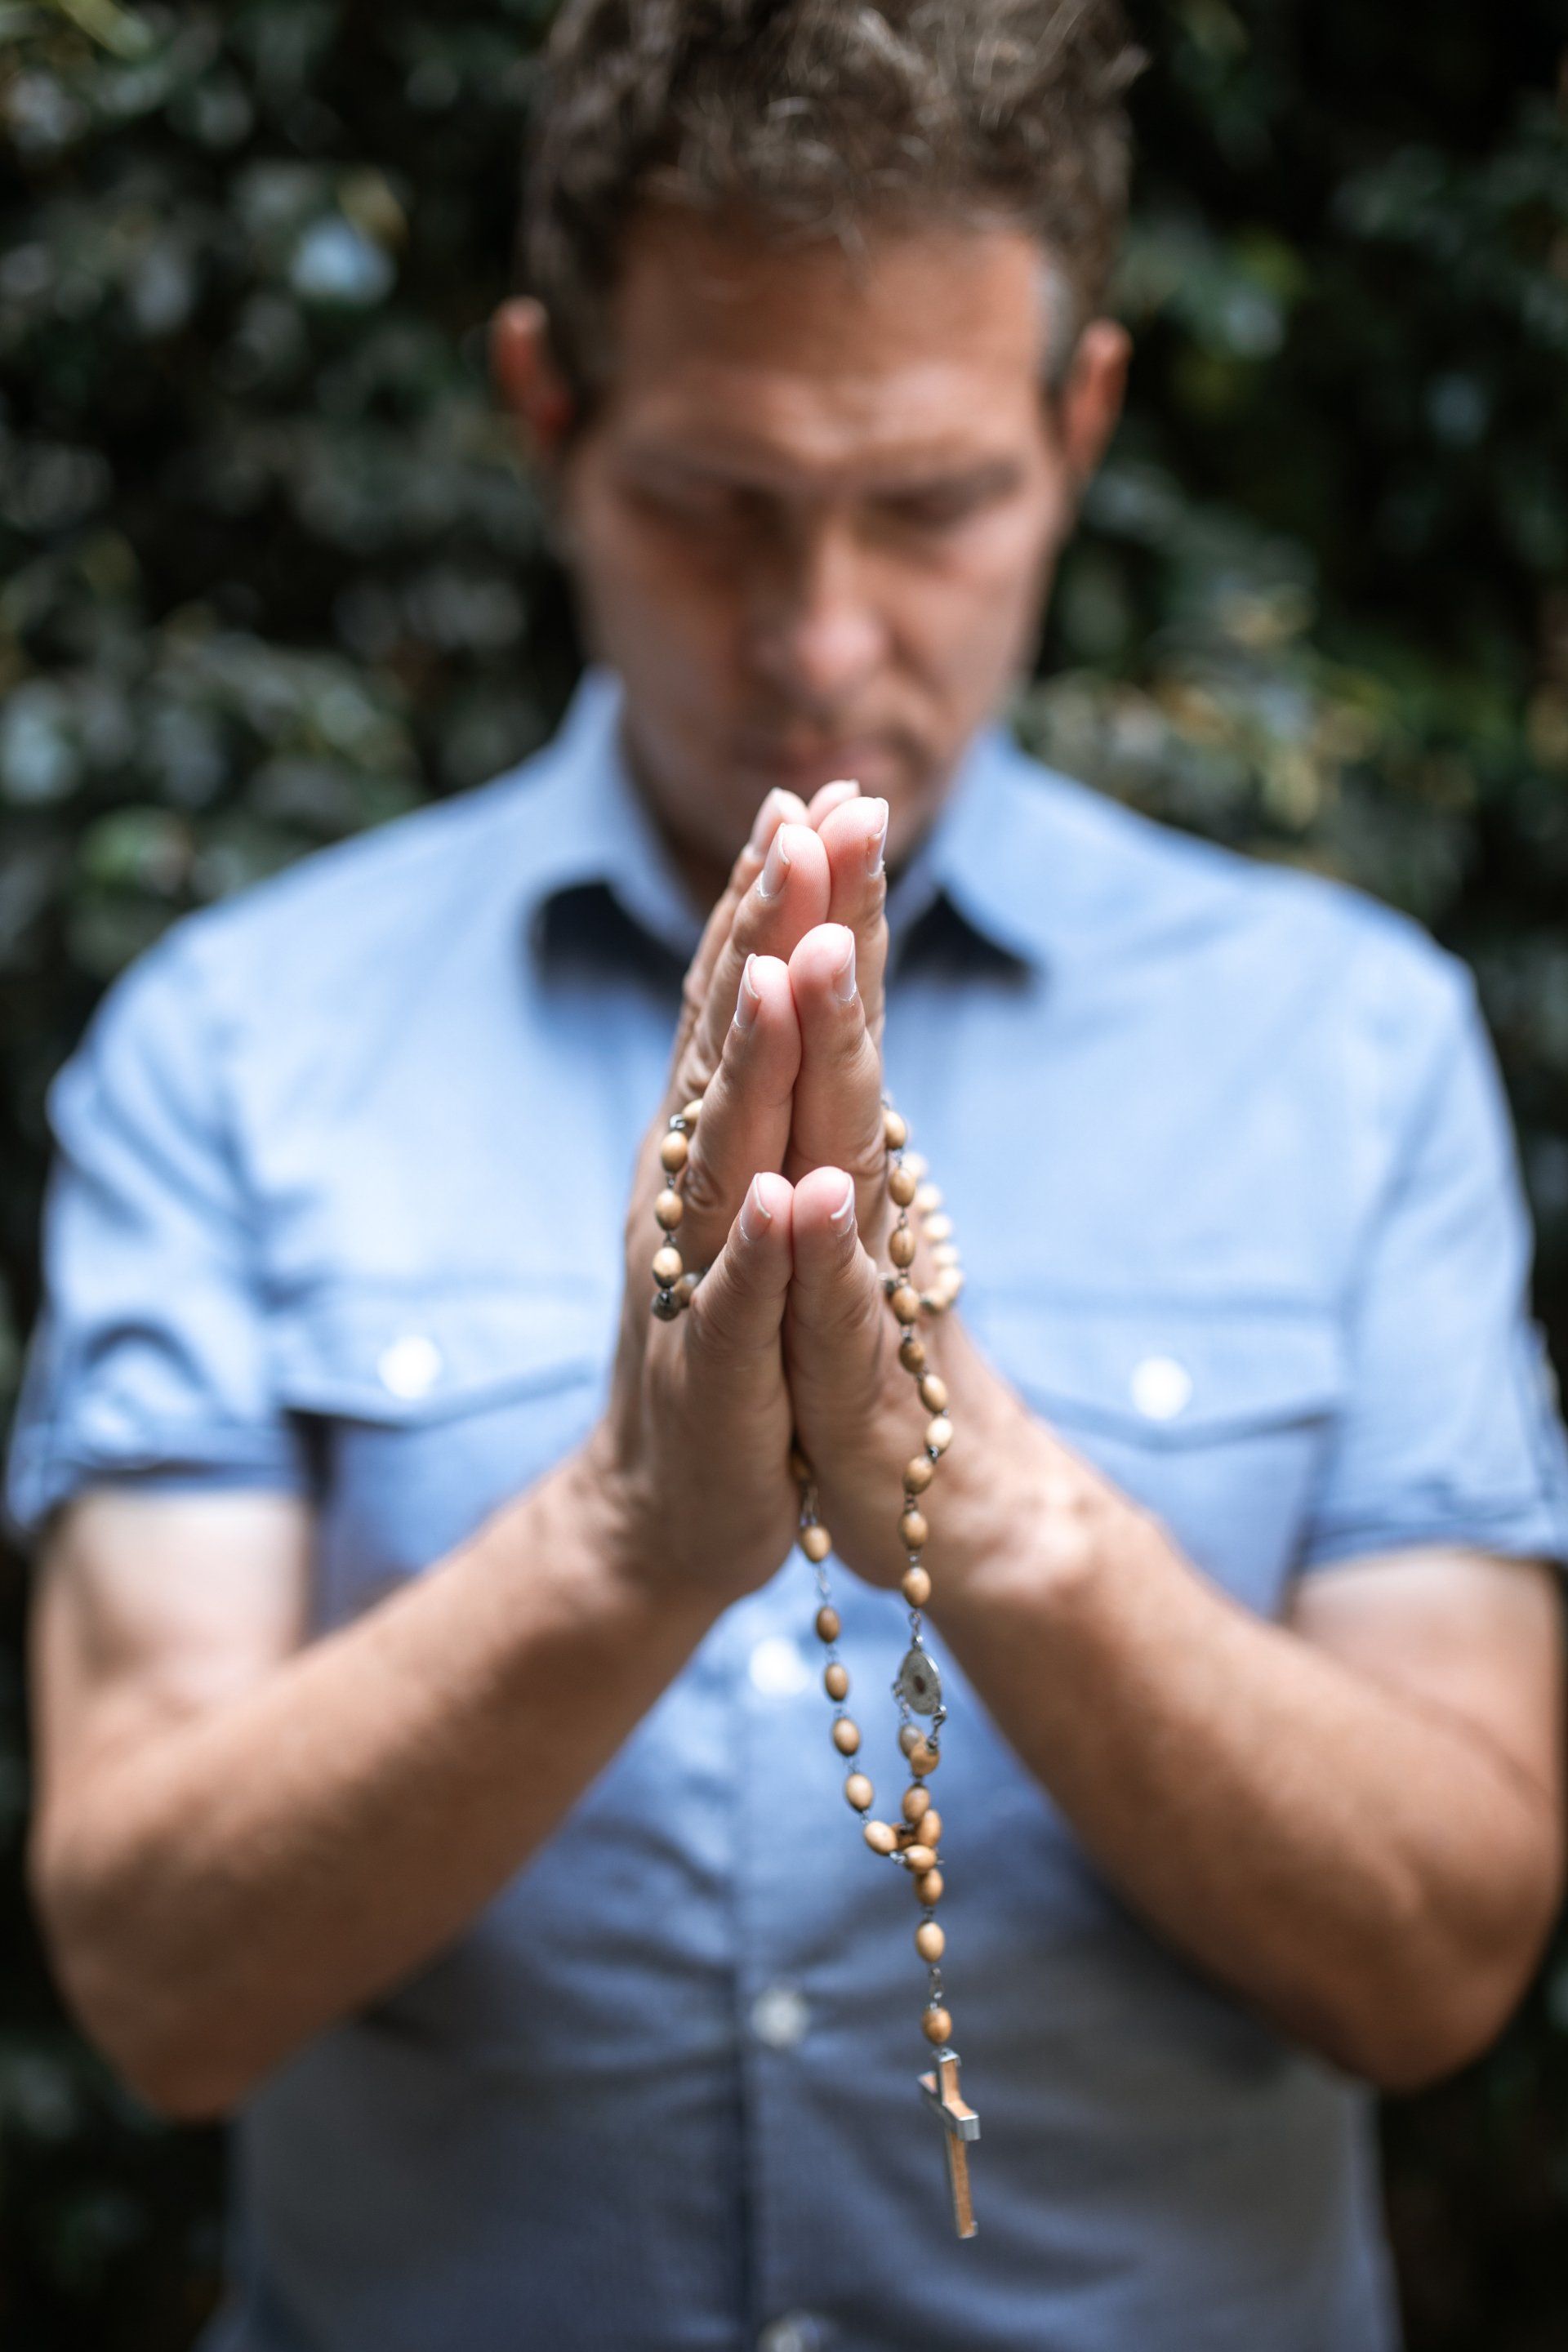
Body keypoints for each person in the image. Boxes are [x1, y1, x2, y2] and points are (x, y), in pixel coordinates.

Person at [11, 2, 1567, 2347]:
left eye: (934, 504)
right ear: (549, 416)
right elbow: (151, 1984)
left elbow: (1446, 1960)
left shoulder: (1350, 1051)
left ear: (1082, 427)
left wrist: (989, 1494)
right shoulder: (234, 1045)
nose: (824, 638)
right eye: (715, 501)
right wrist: (632, 1537)